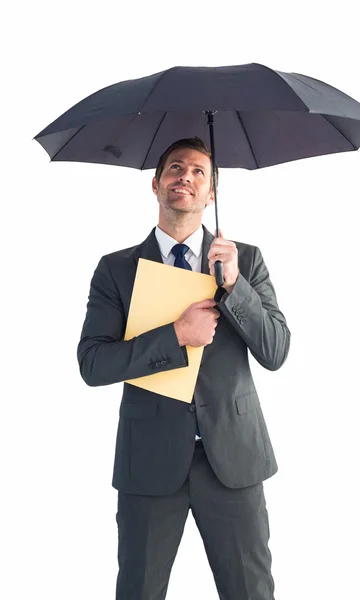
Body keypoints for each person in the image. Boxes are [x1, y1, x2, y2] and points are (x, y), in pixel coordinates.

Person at [77, 136, 291, 600]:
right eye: (176, 169)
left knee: (252, 592)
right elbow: (93, 363)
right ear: (156, 185)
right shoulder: (116, 270)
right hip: (150, 461)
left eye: (198, 172)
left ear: (211, 192)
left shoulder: (245, 261)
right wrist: (175, 335)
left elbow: (276, 350)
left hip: (232, 459)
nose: (186, 178)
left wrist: (235, 288)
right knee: (139, 591)